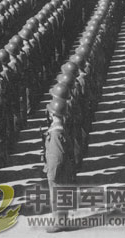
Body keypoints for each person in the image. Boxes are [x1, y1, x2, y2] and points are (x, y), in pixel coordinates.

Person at [44, 98, 74, 233]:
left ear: (52, 115)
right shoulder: (61, 128)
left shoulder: (55, 133)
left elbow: (56, 158)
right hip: (65, 169)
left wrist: (52, 174)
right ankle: (64, 221)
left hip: (57, 171)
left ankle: (59, 223)